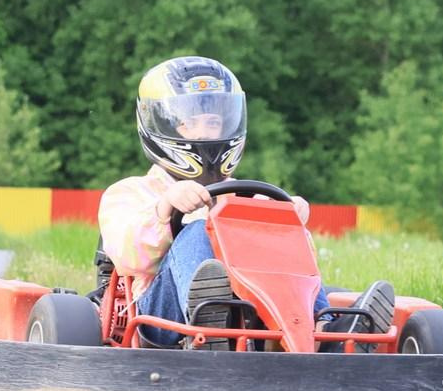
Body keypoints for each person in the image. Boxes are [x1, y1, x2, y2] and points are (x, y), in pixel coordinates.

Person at [96, 55, 396, 345]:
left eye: (213, 122)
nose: (204, 132)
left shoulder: (247, 195)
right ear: (165, 125)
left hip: (251, 313)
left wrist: (287, 220)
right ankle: (208, 316)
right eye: (190, 123)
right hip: (161, 321)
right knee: (198, 230)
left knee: (282, 235)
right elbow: (128, 256)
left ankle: (325, 331)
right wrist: (165, 208)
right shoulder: (130, 193)